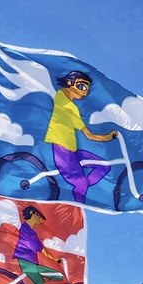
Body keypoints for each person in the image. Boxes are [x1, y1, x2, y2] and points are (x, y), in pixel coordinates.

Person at [44, 70, 118, 203]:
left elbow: (90, 136)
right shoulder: (60, 97)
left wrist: (110, 137)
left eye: (87, 89)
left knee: (103, 166)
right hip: (62, 150)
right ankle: (76, 205)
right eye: (81, 86)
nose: (84, 92)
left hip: (72, 151)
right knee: (82, 183)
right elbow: (57, 93)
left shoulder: (73, 109)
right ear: (69, 83)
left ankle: (80, 187)